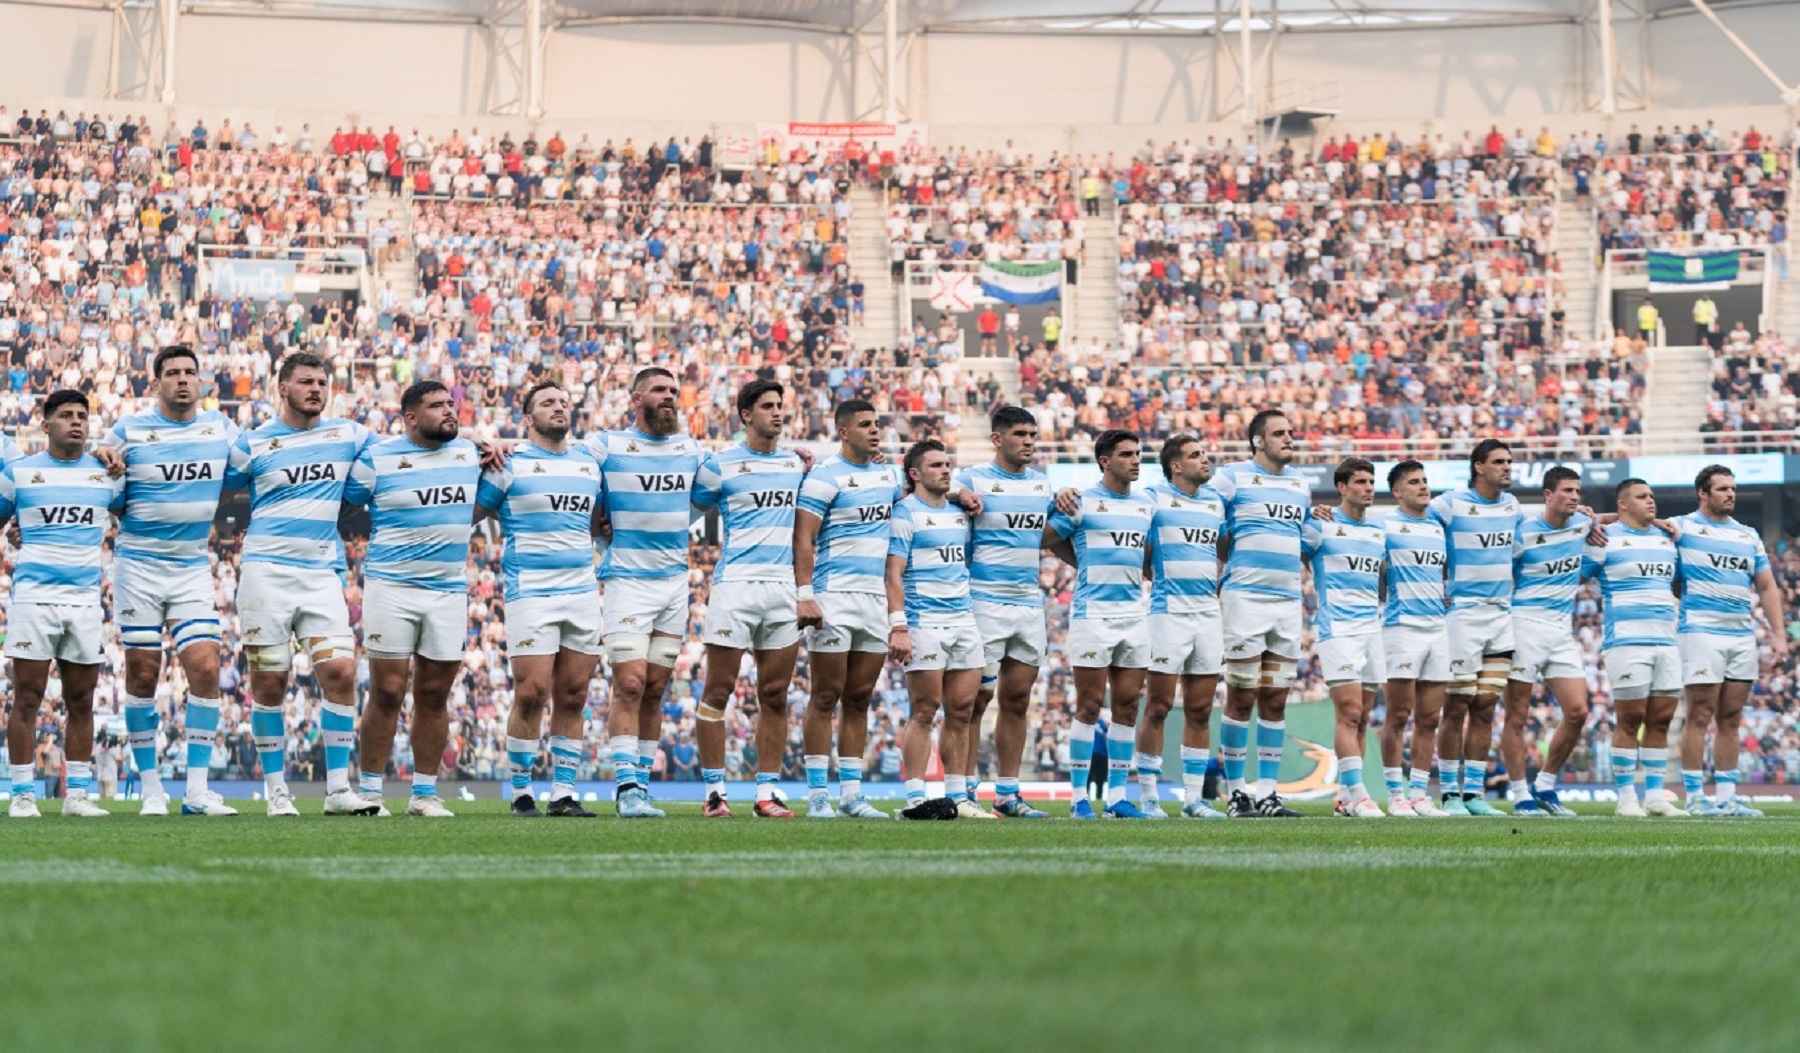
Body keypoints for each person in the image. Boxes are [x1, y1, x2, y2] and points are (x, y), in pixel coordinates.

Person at [225, 353, 377, 817]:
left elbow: (366, 484)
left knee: (342, 673)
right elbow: (221, 490)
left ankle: (336, 790)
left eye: (322, 382)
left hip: (320, 572)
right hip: (265, 573)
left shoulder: (352, 435)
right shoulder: (250, 443)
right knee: (270, 683)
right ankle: (276, 791)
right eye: (305, 381)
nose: (316, 389)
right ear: (282, 387)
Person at [101, 345, 239, 817]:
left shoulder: (222, 428)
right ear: (155, 382)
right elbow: (103, 481)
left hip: (190, 566)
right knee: (142, 673)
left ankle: (197, 792)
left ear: (201, 382)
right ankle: (152, 789)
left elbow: (255, 469)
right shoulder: (128, 429)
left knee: (204, 668)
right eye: (173, 373)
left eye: (190, 373)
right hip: (138, 565)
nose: (183, 380)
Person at [343, 380, 481, 818]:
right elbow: (338, 503)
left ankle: (423, 794)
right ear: (409, 417)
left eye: (450, 404)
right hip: (391, 587)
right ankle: (369, 792)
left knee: (435, 694)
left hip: (448, 590)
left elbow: (490, 502)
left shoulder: (473, 454)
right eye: (436, 405)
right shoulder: (378, 458)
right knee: (386, 691)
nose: (448, 411)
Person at [475, 383, 603, 819]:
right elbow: (470, 512)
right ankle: (521, 792)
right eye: (548, 403)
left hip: (583, 592)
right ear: (527, 419)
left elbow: (604, 518)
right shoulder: (509, 462)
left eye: (564, 402)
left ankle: (563, 794)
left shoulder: (589, 463)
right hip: (531, 592)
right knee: (531, 692)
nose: (559, 407)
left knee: (574, 694)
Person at [585, 367, 701, 820]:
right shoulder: (607, 445)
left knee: (655, 688)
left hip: (675, 583)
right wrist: (597, 525)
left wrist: (793, 456)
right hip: (627, 581)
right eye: (660, 390)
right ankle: (626, 787)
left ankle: (643, 785)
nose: (670, 397)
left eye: (674, 391)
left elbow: (730, 480)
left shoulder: (690, 449)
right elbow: (562, 465)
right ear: (637, 398)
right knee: (629, 683)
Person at [3, 391, 124, 818]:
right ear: (45, 423)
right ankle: (21, 794)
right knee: (28, 698)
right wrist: (13, 534)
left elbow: (136, 516)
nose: (76, 422)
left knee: (81, 700)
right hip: (34, 599)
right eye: (66, 415)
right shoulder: (19, 473)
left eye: (82, 416)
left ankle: (77, 796)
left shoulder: (107, 472)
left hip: (85, 601)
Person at [692, 380, 808, 819]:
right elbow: (686, 513)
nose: (778, 413)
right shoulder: (719, 465)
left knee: (775, 694)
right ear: (746, 415)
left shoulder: (797, 465)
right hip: (735, 586)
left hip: (782, 589)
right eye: (767, 407)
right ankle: (714, 792)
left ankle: (767, 793)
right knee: (718, 690)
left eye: (780, 405)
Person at [795, 399, 900, 820]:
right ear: (842, 431)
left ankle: (852, 795)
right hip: (834, 597)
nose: (874, 431)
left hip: (874, 601)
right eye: (864, 425)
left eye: (877, 424)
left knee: (860, 698)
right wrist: (805, 593)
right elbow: (804, 538)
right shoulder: (824, 477)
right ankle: (818, 794)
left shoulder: (887, 475)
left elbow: (919, 490)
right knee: (825, 696)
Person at [1044, 429, 1154, 820]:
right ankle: (1078, 799)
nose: (1136, 460)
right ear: (1105, 461)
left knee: (1126, 706)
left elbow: (1150, 555)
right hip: (1093, 614)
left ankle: (1117, 798)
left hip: (1133, 615)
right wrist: (1081, 559)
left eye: (1139, 453)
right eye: (1127, 454)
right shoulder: (1081, 502)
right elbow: (1046, 538)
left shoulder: (1146, 504)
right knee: (1089, 705)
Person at [952, 406, 1052, 819]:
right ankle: (967, 790)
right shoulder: (972, 478)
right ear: (997, 439)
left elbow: (1055, 529)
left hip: (1029, 604)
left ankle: (1008, 794)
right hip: (984, 602)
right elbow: (930, 488)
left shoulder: (1043, 485)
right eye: (1020, 434)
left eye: (1032, 434)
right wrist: (958, 495)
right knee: (976, 700)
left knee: (1017, 699)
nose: (1029, 441)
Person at [1209, 410, 1308, 819]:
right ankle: (1236, 793)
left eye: (1290, 432)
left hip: (1287, 601)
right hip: (1245, 599)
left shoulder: (1301, 485)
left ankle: (1268, 794)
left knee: (1276, 700)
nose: (1289, 439)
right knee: (1242, 696)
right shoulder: (1231, 477)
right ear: (1257, 441)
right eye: (1279, 434)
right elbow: (1207, 521)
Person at [887, 440, 990, 820]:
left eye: (948, 464)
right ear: (915, 474)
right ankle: (915, 797)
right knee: (925, 710)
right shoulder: (904, 514)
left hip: (964, 620)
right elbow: (892, 574)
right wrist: (899, 626)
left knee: (962, 711)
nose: (946, 470)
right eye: (935, 466)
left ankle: (958, 796)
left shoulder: (960, 513)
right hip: (924, 621)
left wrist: (964, 493)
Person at [1675, 465, 1786, 817]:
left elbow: (1766, 586)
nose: (1731, 494)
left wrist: (1779, 635)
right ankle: (1694, 795)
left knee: (1731, 717)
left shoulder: (1748, 535)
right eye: (1722, 489)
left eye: (1733, 489)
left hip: (1740, 634)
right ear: (1703, 494)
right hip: (1700, 630)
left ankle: (1726, 795)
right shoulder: (1681, 527)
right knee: (1700, 714)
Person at [1585, 479, 1689, 819]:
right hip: (1627, 642)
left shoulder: (1667, 539)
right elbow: (1579, 575)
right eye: (1643, 497)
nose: (1652, 502)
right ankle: (1627, 798)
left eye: (1653, 497)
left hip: (1666, 641)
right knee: (1630, 720)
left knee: (1660, 720)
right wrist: (1596, 522)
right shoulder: (1604, 538)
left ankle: (1656, 796)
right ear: (1623, 504)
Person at [1427, 439, 1519, 818]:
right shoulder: (1449, 503)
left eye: (1509, 462)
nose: (1507, 467)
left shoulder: (1513, 506)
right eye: (1499, 462)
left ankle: (1474, 795)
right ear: (1479, 467)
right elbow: (1415, 524)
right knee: (1457, 706)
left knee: (1486, 707)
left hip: (1501, 617)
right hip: (1463, 614)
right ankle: (1449, 793)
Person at [1139, 435, 1228, 820]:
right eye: (1195, 456)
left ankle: (1194, 799)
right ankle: (1148, 797)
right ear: (1176, 466)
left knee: (1200, 709)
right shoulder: (1151, 498)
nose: (1205, 459)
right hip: (1168, 614)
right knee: (1158, 706)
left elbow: (1222, 546)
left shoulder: (1215, 502)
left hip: (1208, 614)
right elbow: (1137, 549)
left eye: (1204, 453)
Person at [1502, 466, 1592, 817]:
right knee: (1517, 716)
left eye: (1577, 492)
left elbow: (1616, 518)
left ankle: (1545, 786)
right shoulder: (1522, 532)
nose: (1573, 496)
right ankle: (1520, 794)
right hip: (1523, 625)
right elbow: (1493, 565)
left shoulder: (1583, 524)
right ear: (1548, 495)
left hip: (1559, 630)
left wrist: (1658, 522)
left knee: (1578, 711)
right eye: (1567, 491)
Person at [1303, 458, 1386, 819]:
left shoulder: (1378, 532)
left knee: (1363, 717)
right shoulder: (1321, 525)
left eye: (1371, 481)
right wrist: (1305, 513)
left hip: (1373, 628)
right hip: (1338, 629)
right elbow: (1292, 545)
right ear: (1342, 487)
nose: (1369, 487)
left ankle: (1346, 799)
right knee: (1349, 712)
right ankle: (1361, 793)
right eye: (1361, 482)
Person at [1379, 460, 1450, 818]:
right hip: (1401, 628)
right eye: (1414, 482)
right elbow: (1375, 572)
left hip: (1437, 629)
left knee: (1429, 718)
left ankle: (1420, 794)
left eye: (1425, 481)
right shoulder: (1385, 525)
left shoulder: (1439, 526)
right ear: (1397, 492)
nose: (1423, 487)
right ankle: (1395, 794)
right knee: (1398, 715)